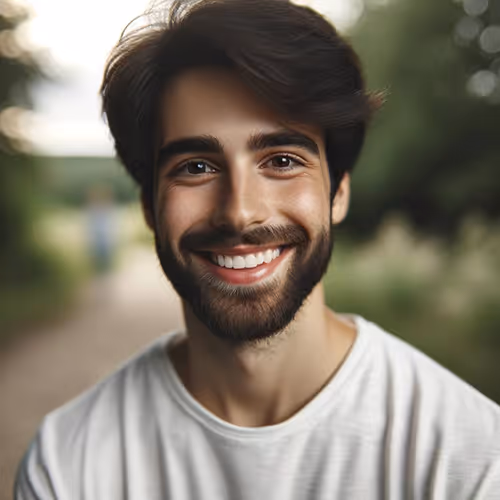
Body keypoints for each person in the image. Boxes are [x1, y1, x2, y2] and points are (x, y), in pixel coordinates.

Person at [15, 0, 500, 498]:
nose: (240, 212)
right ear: (148, 207)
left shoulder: (471, 459)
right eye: (196, 167)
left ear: (338, 192)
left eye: (283, 160)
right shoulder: (68, 464)